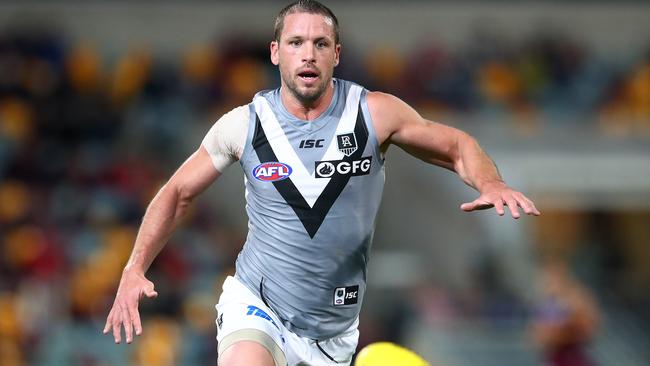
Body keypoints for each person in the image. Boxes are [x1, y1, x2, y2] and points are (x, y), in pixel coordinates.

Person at [103, 1, 541, 365]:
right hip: (258, 304)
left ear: (337, 54)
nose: (307, 54)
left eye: (320, 43)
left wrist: (491, 182)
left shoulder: (374, 113)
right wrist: (134, 267)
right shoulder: (243, 126)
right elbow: (177, 192)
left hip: (333, 333)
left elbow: (456, 146)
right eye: (295, 43)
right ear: (276, 52)